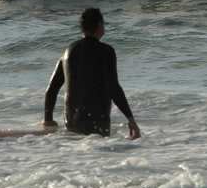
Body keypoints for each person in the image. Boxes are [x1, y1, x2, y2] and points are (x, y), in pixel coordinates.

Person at [43, 8, 141, 139]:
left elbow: (51, 90)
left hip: (72, 126)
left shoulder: (68, 52)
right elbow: (114, 88)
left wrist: (48, 120)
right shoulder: (106, 51)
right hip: (97, 125)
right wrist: (131, 119)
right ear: (99, 25)